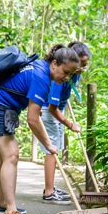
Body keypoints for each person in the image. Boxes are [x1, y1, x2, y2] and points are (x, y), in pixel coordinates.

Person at [0, 45, 79, 214]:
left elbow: (33, 110)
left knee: (2, 157)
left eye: (70, 74)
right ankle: (10, 210)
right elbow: (33, 120)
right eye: (65, 71)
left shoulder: (39, 67)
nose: (66, 77)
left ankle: (2, 204)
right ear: (54, 64)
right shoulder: (42, 77)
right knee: (11, 155)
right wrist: (48, 144)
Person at [39, 41, 92, 204]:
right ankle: (49, 192)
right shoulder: (59, 77)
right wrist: (70, 125)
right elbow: (52, 108)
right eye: (81, 64)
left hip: (57, 111)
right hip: (49, 111)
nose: (83, 67)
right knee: (52, 149)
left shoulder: (74, 72)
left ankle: (52, 188)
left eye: (85, 64)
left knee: (57, 148)